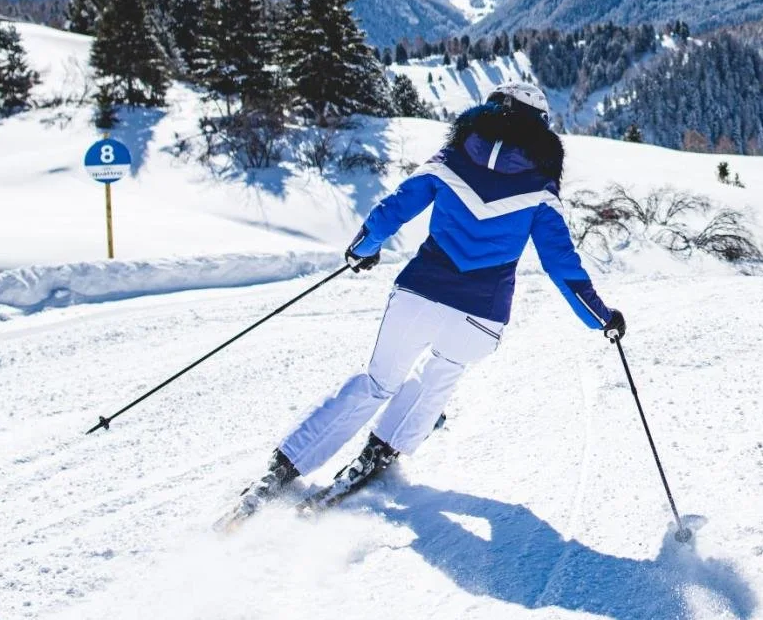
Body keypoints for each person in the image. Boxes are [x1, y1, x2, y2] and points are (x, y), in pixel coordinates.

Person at [232, 81, 623, 516]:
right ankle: (383, 449)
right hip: (480, 316)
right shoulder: (540, 189)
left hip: (418, 293)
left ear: (489, 111)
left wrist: (362, 249)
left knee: (378, 382)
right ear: (540, 130)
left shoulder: (450, 160)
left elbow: (393, 209)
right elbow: (561, 266)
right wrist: (600, 318)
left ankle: (285, 467)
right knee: (442, 372)